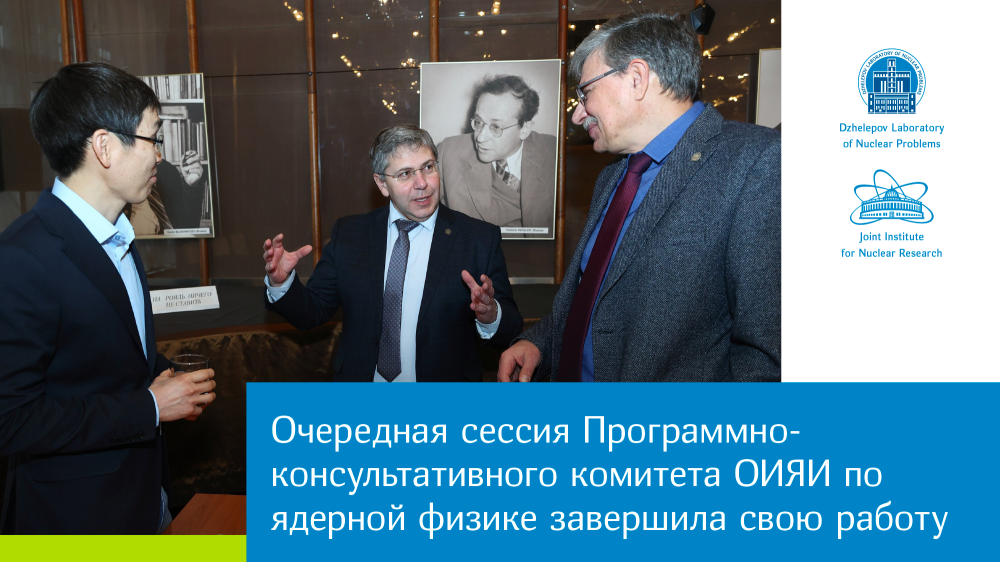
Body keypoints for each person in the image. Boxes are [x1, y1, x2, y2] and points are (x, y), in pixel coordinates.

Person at [498, 12, 781, 383]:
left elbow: (766, 358)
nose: (578, 115)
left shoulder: (757, 163)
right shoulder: (613, 177)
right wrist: (539, 343)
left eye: (585, 93)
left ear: (636, 78)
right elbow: (593, 298)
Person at [0, 62, 217, 534]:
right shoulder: (22, 258)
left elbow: (97, 357)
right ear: (104, 147)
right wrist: (150, 407)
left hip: (145, 498)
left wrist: (165, 376)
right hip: (75, 521)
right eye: (153, 138)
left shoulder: (118, 234)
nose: (160, 156)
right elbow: (11, 419)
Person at [263, 124, 523, 382]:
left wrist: (490, 315)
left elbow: (511, 329)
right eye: (405, 174)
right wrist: (281, 282)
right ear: (382, 183)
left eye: (428, 167)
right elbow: (312, 312)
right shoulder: (350, 235)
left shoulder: (478, 239)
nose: (422, 183)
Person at [438, 75, 557, 239]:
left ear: (524, 129)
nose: (480, 137)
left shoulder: (553, 153)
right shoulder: (449, 152)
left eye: (496, 127)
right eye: (478, 122)